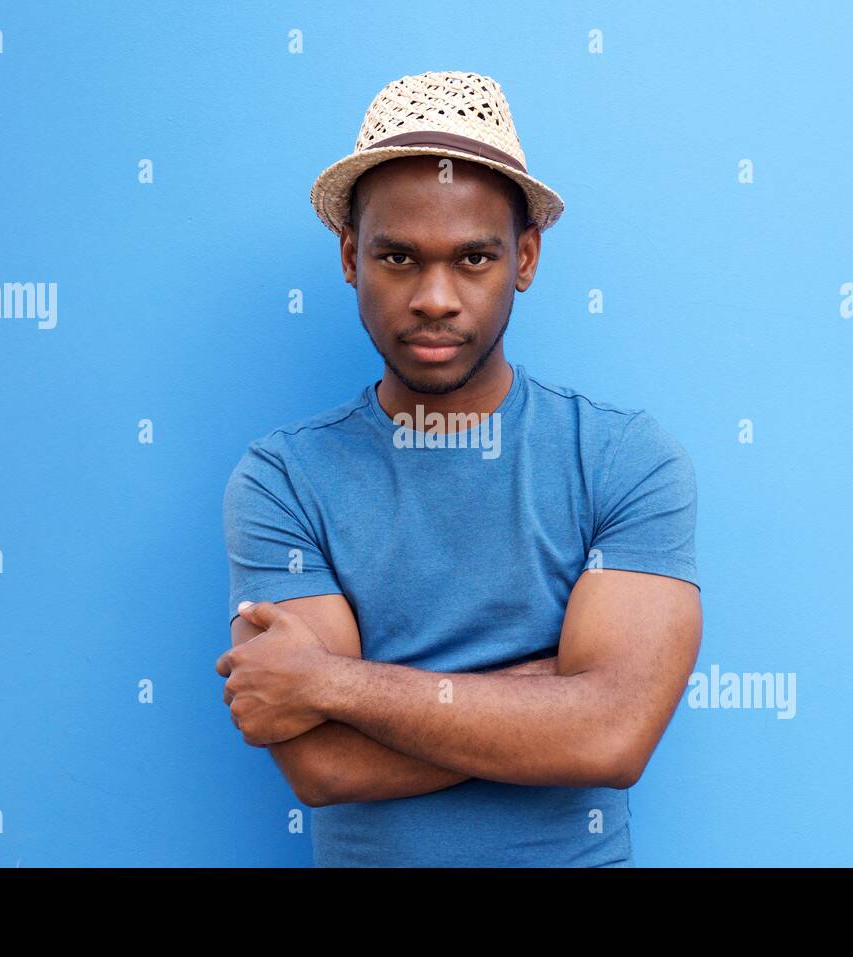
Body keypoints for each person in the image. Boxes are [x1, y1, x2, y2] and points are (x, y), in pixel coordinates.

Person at [217, 70, 702, 867]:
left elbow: (613, 737)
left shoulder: (623, 459)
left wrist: (332, 684)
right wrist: (551, 699)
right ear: (350, 256)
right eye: (399, 257)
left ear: (526, 258)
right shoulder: (284, 478)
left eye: (473, 258)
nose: (435, 297)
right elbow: (324, 764)